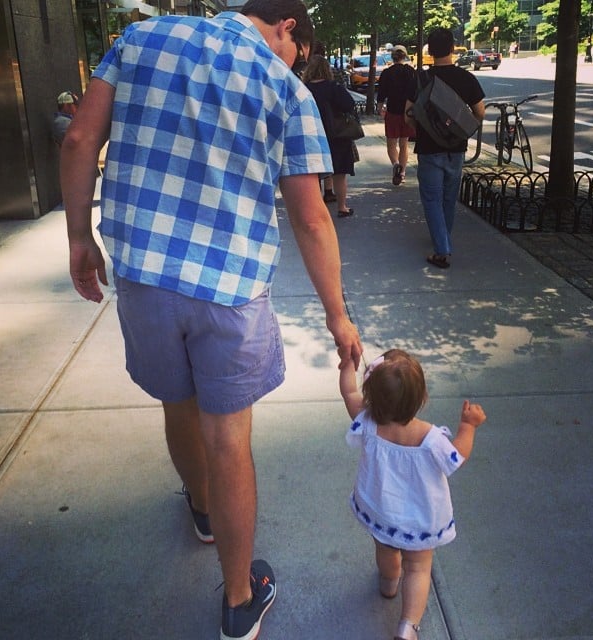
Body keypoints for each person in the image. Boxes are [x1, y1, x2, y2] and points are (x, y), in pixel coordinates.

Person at [59, 1, 363, 638]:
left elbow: (80, 138)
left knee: (176, 404)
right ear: (287, 27)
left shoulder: (140, 38)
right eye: (297, 49)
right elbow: (311, 218)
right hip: (230, 289)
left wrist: (80, 238)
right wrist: (338, 317)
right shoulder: (285, 88)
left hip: (144, 276)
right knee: (230, 440)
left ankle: (201, 509)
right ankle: (238, 599)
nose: (295, 61)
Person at [339, 349, 486, 640]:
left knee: (386, 549)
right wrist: (468, 427)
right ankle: (408, 627)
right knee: (418, 568)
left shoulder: (367, 420)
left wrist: (347, 364)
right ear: (422, 399)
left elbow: (348, 392)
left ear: (372, 396)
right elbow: (457, 457)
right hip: (420, 518)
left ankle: (388, 584)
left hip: (381, 510)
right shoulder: (431, 439)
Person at [405, 28, 485, 269]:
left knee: (431, 198)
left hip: (429, 148)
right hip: (457, 148)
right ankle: (443, 238)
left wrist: (427, 128)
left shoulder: (420, 79)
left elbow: (409, 114)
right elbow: (479, 112)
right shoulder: (467, 78)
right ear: (452, 48)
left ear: (429, 50)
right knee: (449, 198)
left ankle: (442, 250)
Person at [302, 54, 357, 218]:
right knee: (340, 173)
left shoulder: (303, 89)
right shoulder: (334, 87)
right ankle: (342, 206)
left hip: (313, 135)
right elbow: (349, 104)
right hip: (337, 135)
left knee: (314, 174)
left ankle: (316, 209)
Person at [376, 45, 416, 186]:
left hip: (392, 112)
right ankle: (403, 172)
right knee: (404, 144)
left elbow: (381, 94)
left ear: (392, 57)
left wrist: (379, 108)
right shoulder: (411, 72)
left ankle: (395, 165)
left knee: (391, 143)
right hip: (407, 113)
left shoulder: (387, 73)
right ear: (404, 56)